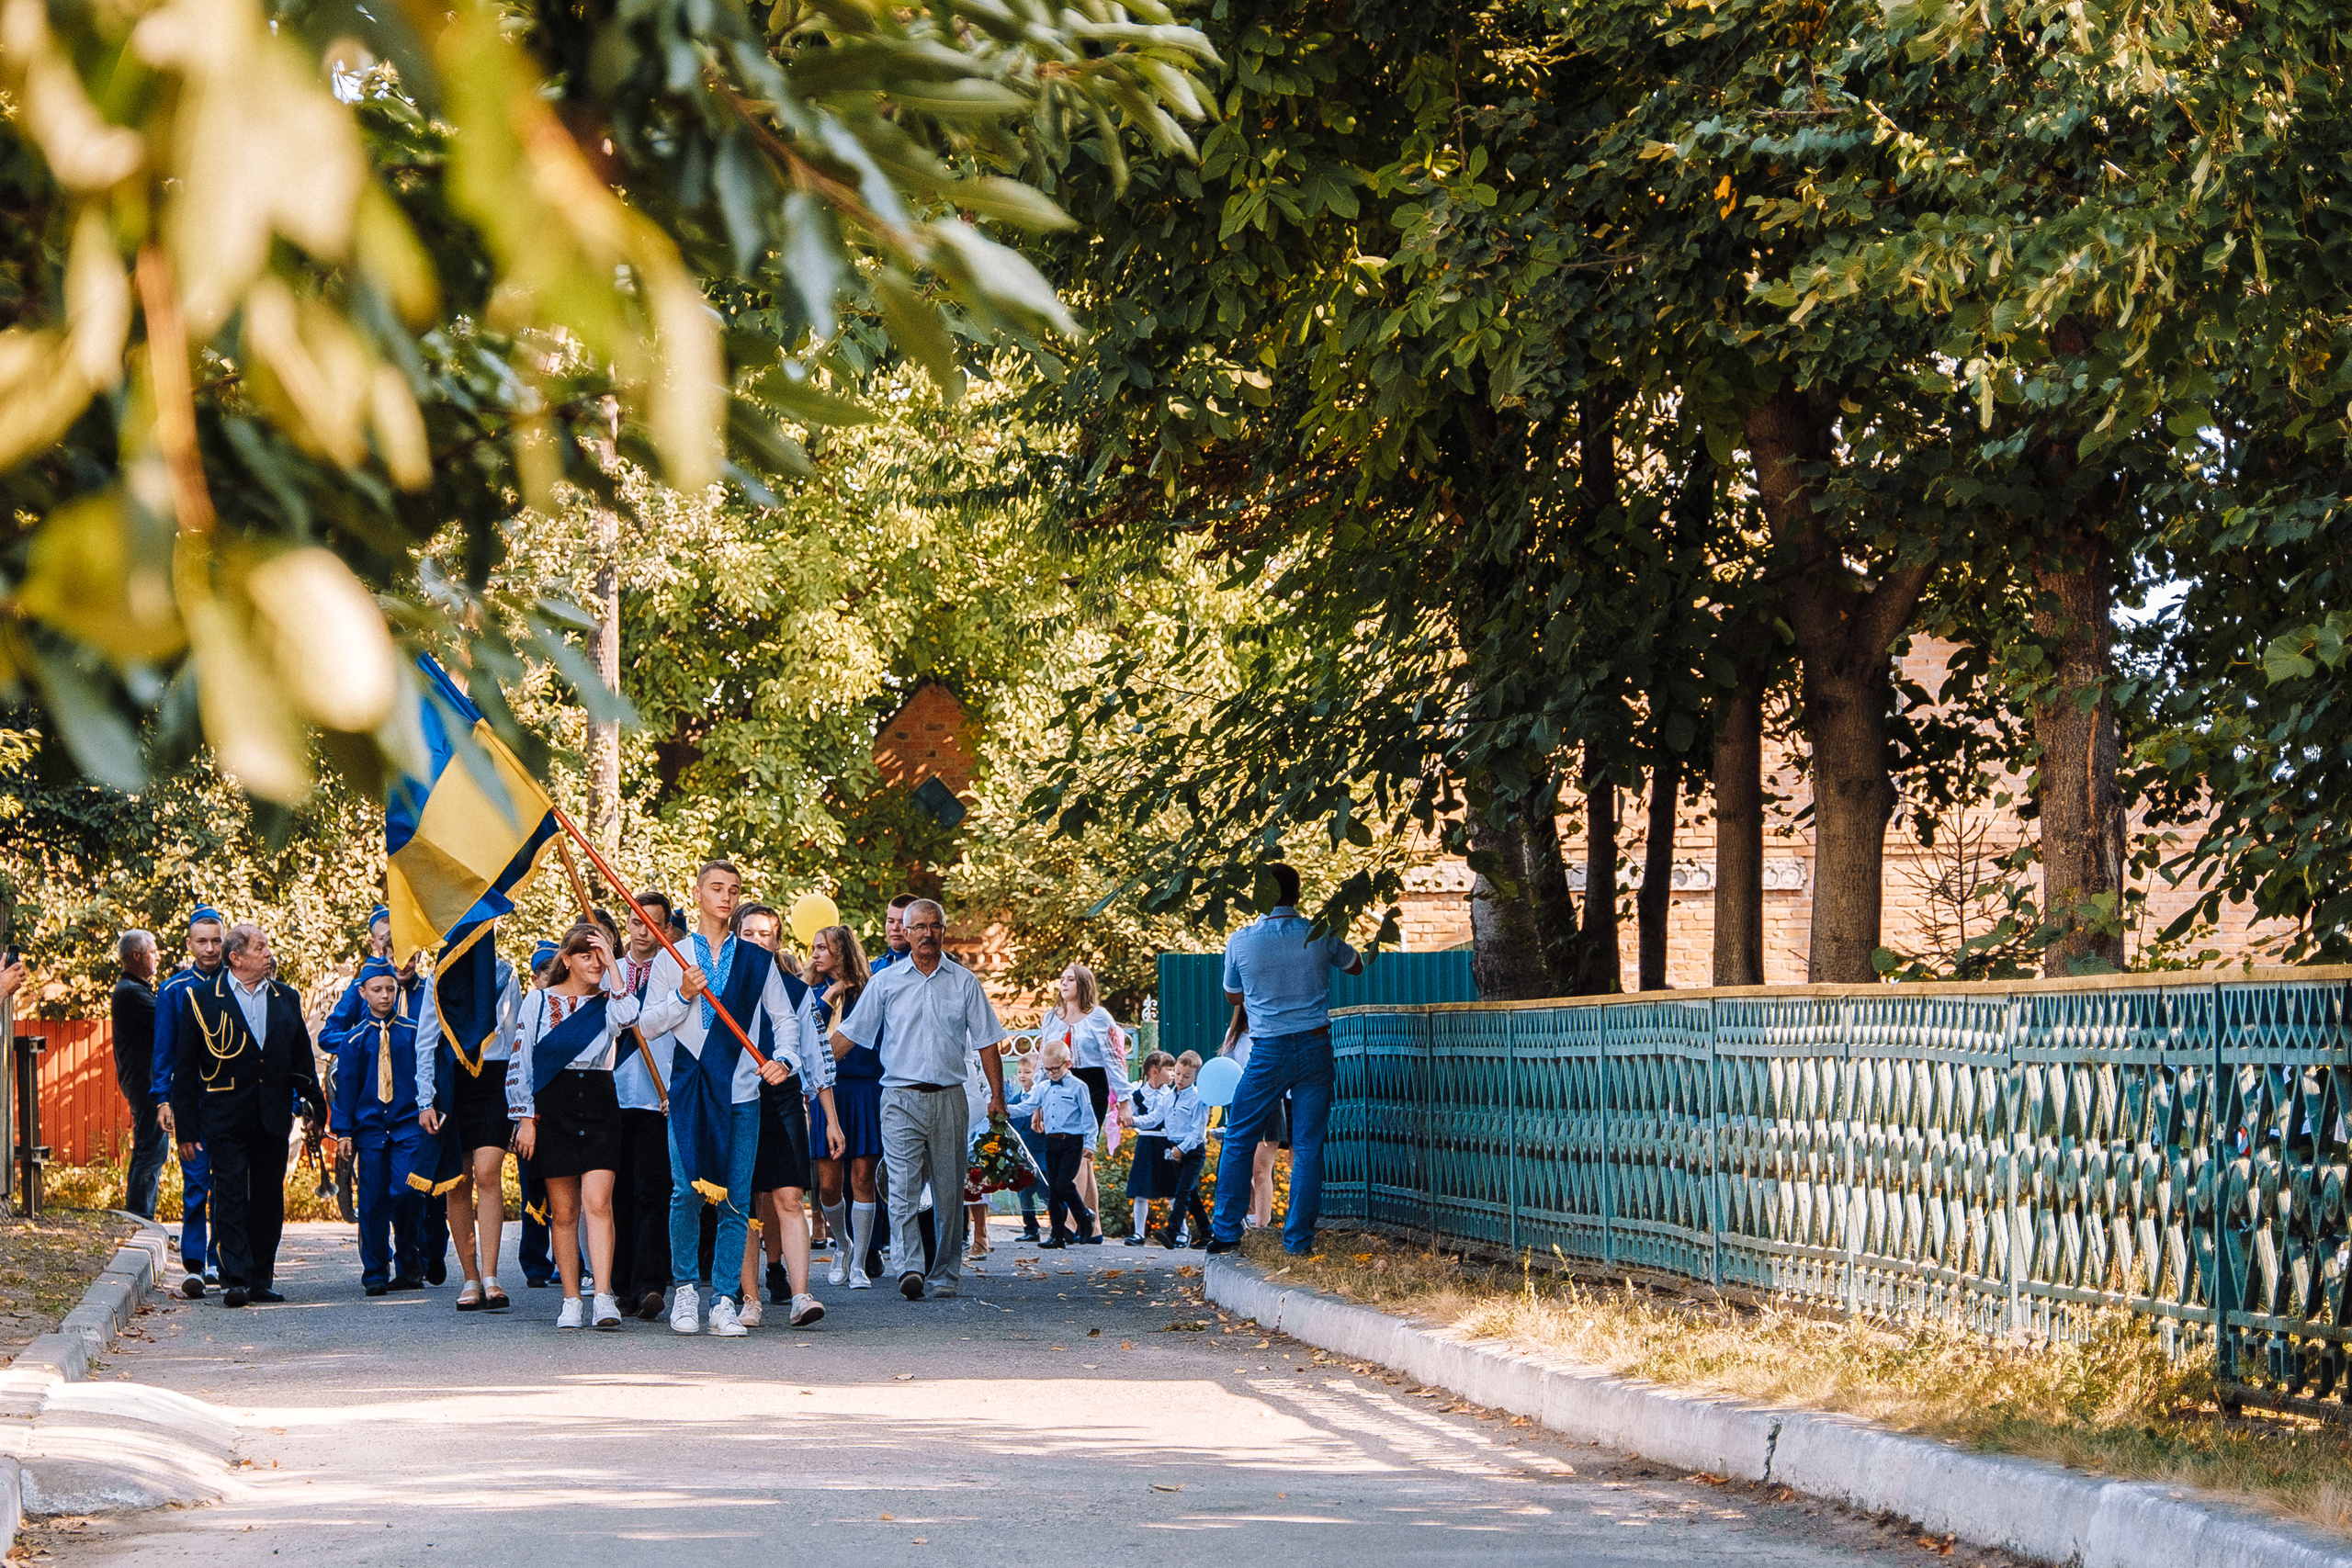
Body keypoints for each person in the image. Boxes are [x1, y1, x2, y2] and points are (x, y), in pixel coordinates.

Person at [637, 861, 814, 1337]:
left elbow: (787, 1020)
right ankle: (686, 1292)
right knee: (684, 1194)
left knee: (736, 1199)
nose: (726, 897)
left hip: (742, 1093)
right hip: (691, 1091)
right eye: (717, 888)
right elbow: (646, 1025)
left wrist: (786, 1060)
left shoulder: (757, 962)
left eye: (734, 890)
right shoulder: (671, 957)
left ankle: (724, 1300)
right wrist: (681, 993)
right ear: (697, 894)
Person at [830, 898, 1006, 1299]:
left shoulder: (963, 982)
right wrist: (808, 1068)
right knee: (902, 1186)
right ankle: (909, 1267)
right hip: (898, 1097)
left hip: (950, 1097)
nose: (928, 933)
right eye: (919, 927)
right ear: (905, 934)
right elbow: (852, 1034)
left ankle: (944, 1274)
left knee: (948, 1191)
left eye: (935, 926)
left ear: (943, 931)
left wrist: (997, 1095)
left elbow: (988, 1042)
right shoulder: (886, 983)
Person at [1206, 864, 1363, 1258]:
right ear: (1298, 892)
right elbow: (1356, 964)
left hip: (1269, 1049)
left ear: (1261, 893)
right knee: (1308, 1145)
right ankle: (1298, 1242)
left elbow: (1233, 996)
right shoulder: (1320, 932)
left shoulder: (1241, 941)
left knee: (1240, 1135)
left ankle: (1225, 1233)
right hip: (1315, 1046)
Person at [167, 924, 327, 1307]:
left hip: (272, 1114)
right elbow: (185, 1068)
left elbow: (301, 1057)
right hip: (224, 1116)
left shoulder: (286, 998)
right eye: (260, 947)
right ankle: (234, 1276)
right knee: (231, 1194)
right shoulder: (202, 998)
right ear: (235, 958)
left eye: (268, 946)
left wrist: (315, 1104)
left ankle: (261, 1277)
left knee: (269, 1198)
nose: (269, 953)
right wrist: (186, 1130)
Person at [508, 922, 642, 1330]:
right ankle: (570, 1299)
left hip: (600, 1099)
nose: (595, 964)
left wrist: (615, 968)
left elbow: (630, 1014)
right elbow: (521, 1061)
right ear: (566, 959)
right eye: (586, 955)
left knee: (598, 1203)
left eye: (601, 956)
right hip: (555, 1102)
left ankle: (603, 1296)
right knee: (564, 1211)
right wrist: (525, 1117)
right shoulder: (537, 1001)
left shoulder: (609, 1001)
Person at [733, 904, 839, 1328]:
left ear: (777, 941)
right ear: (736, 935)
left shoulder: (798, 992)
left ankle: (800, 1294)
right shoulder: (720, 989)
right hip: (738, 1100)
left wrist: (831, 1119)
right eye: (750, 933)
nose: (759, 941)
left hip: (784, 1099)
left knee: (789, 1198)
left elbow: (817, 1060)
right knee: (741, 1204)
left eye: (767, 934)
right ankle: (749, 1299)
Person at [418, 939, 521, 1312]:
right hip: (452, 1081)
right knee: (457, 1181)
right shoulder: (438, 977)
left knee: (488, 1172)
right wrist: (425, 1099)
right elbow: (426, 1041)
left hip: (492, 1079)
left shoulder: (505, 973)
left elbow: (514, 1041)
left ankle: (492, 1275)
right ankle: (470, 1277)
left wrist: (519, 1100)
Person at [330, 957, 427, 1296]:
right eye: (377, 990)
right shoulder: (354, 1041)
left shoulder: (413, 1033)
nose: (384, 996)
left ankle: (409, 1261)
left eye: (390, 989)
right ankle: (374, 1272)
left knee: (406, 1192)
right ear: (363, 993)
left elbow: (425, 1079)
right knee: (371, 1202)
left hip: (407, 1128)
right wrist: (343, 1132)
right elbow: (347, 1089)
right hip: (370, 1133)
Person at [151, 906, 228, 1292]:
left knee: (229, 1184)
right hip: (191, 1104)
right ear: (189, 944)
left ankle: (222, 1259)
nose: (210, 949)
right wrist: (163, 1099)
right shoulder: (173, 990)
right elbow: (162, 1052)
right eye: (202, 941)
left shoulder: (237, 985)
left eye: (216, 940)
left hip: (231, 1104)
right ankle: (196, 1263)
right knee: (197, 1181)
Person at [610, 892, 675, 1322]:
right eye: (636, 923)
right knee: (616, 1195)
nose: (643, 932)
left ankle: (651, 1283)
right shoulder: (608, 972)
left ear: (665, 929)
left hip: (659, 1097)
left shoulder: (675, 970)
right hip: (612, 1096)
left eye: (653, 924)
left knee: (652, 1192)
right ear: (628, 926)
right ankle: (620, 1287)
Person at [810, 923, 881, 1290]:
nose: (816, 954)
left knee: (863, 1178)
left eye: (824, 948)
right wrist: (832, 991)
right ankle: (842, 1244)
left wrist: (846, 990)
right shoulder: (811, 991)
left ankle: (859, 1264)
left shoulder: (870, 992)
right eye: (814, 948)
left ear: (843, 952)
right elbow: (811, 1038)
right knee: (828, 1186)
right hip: (827, 1092)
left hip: (865, 1089)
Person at [1038, 963, 1123, 1224]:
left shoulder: (1099, 1016)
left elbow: (1114, 1060)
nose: (1063, 984)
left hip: (1091, 1085)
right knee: (1076, 1156)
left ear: (1082, 984)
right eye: (1061, 979)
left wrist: (1125, 1100)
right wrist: (1038, 1105)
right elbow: (1045, 1058)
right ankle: (1093, 1226)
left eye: (1070, 979)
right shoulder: (1051, 1017)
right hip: (1059, 1083)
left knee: (1080, 1151)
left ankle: (1071, 1224)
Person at [1006, 1040, 1096, 1247]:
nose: (1051, 1073)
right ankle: (1057, 1235)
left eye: (1055, 1069)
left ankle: (1083, 1216)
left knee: (1063, 1183)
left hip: (1072, 1141)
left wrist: (1090, 1143)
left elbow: (1088, 1117)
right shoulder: (1044, 1087)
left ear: (1068, 1064)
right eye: (1046, 1069)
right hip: (1051, 1141)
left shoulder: (1078, 1087)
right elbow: (1028, 1106)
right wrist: (1004, 1110)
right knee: (1054, 1191)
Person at [109, 930, 166, 1220]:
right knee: (150, 1151)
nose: (157, 956)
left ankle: (141, 1218)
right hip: (145, 1082)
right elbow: (166, 1018)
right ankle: (140, 1219)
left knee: (152, 1149)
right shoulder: (130, 993)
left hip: (145, 1080)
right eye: (153, 951)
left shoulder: (136, 990)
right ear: (136, 956)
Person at [1221, 1002, 1283, 1230]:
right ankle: (1248, 1218)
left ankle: (1262, 1227)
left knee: (1260, 1168)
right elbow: (1225, 1069)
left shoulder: (1272, 1030)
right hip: (1242, 1107)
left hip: (1270, 1105)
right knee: (1241, 1167)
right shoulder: (1234, 1034)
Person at [1146, 1052, 1210, 1247]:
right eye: (1178, 1074)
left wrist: (1182, 1149)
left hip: (1192, 1151)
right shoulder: (1169, 1096)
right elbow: (1156, 1117)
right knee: (1192, 1196)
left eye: (1186, 1076)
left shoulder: (1198, 1099)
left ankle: (1172, 1231)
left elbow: (1197, 1132)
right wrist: (1133, 1122)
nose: (1181, 1079)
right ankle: (1208, 1232)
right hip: (1175, 1150)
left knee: (1182, 1192)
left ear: (1195, 1077)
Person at [1121, 1052, 1176, 1245]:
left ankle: (1182, 1231)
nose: (1173, 1073)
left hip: (1164, 1141)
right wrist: (1126, 1116)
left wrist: (1132, 1120)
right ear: (1154, 1072)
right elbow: (1131, 1112)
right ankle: (1138, 1233)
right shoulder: (1137, 1094)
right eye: (1169, 1069)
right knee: (1140, 1188)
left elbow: (1154, 1119)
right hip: (1145, 1142)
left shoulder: (1169, 1095)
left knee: (1171, 1188)